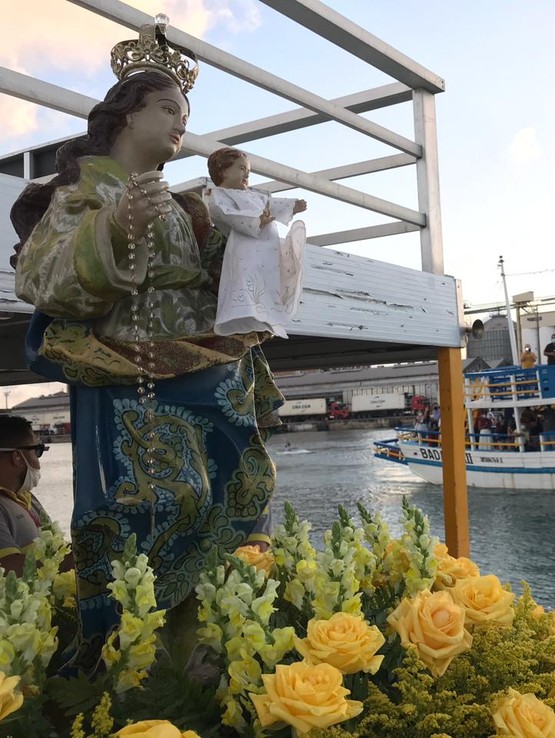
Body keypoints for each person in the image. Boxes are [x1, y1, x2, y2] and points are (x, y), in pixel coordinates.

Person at [10, 26, 280, 643]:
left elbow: (219, 279)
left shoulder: (189, 205)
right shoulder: (84, 190)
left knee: (232, 493)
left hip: (207, 366)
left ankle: (220, 625)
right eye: (168, 109)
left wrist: (252, 233)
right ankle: (135, 646)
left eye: (184, 114)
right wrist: (113, 229)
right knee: (147, 505)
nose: (180, 124)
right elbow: (42, 274)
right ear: (127, 115)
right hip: (128, 375)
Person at [205, 147, 307, 338]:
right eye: (241, 168)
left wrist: (293, 205)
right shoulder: (219, 195)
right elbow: (224, 214)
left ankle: (266, 311)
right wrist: (258, 220)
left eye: (248, 171)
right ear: (223, 170)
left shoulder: (254, 195)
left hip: (268, 247)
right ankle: (244, 311)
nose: (246, 174)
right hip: (246, 246)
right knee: (246, 277)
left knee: (268, 278)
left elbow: (272, 204)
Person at [0, 416, 65, 577]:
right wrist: (77, 562)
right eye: (37, 451)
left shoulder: (29, 498)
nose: (39, 462)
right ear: (17, 456)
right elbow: (7, 567)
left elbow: (55, 546)